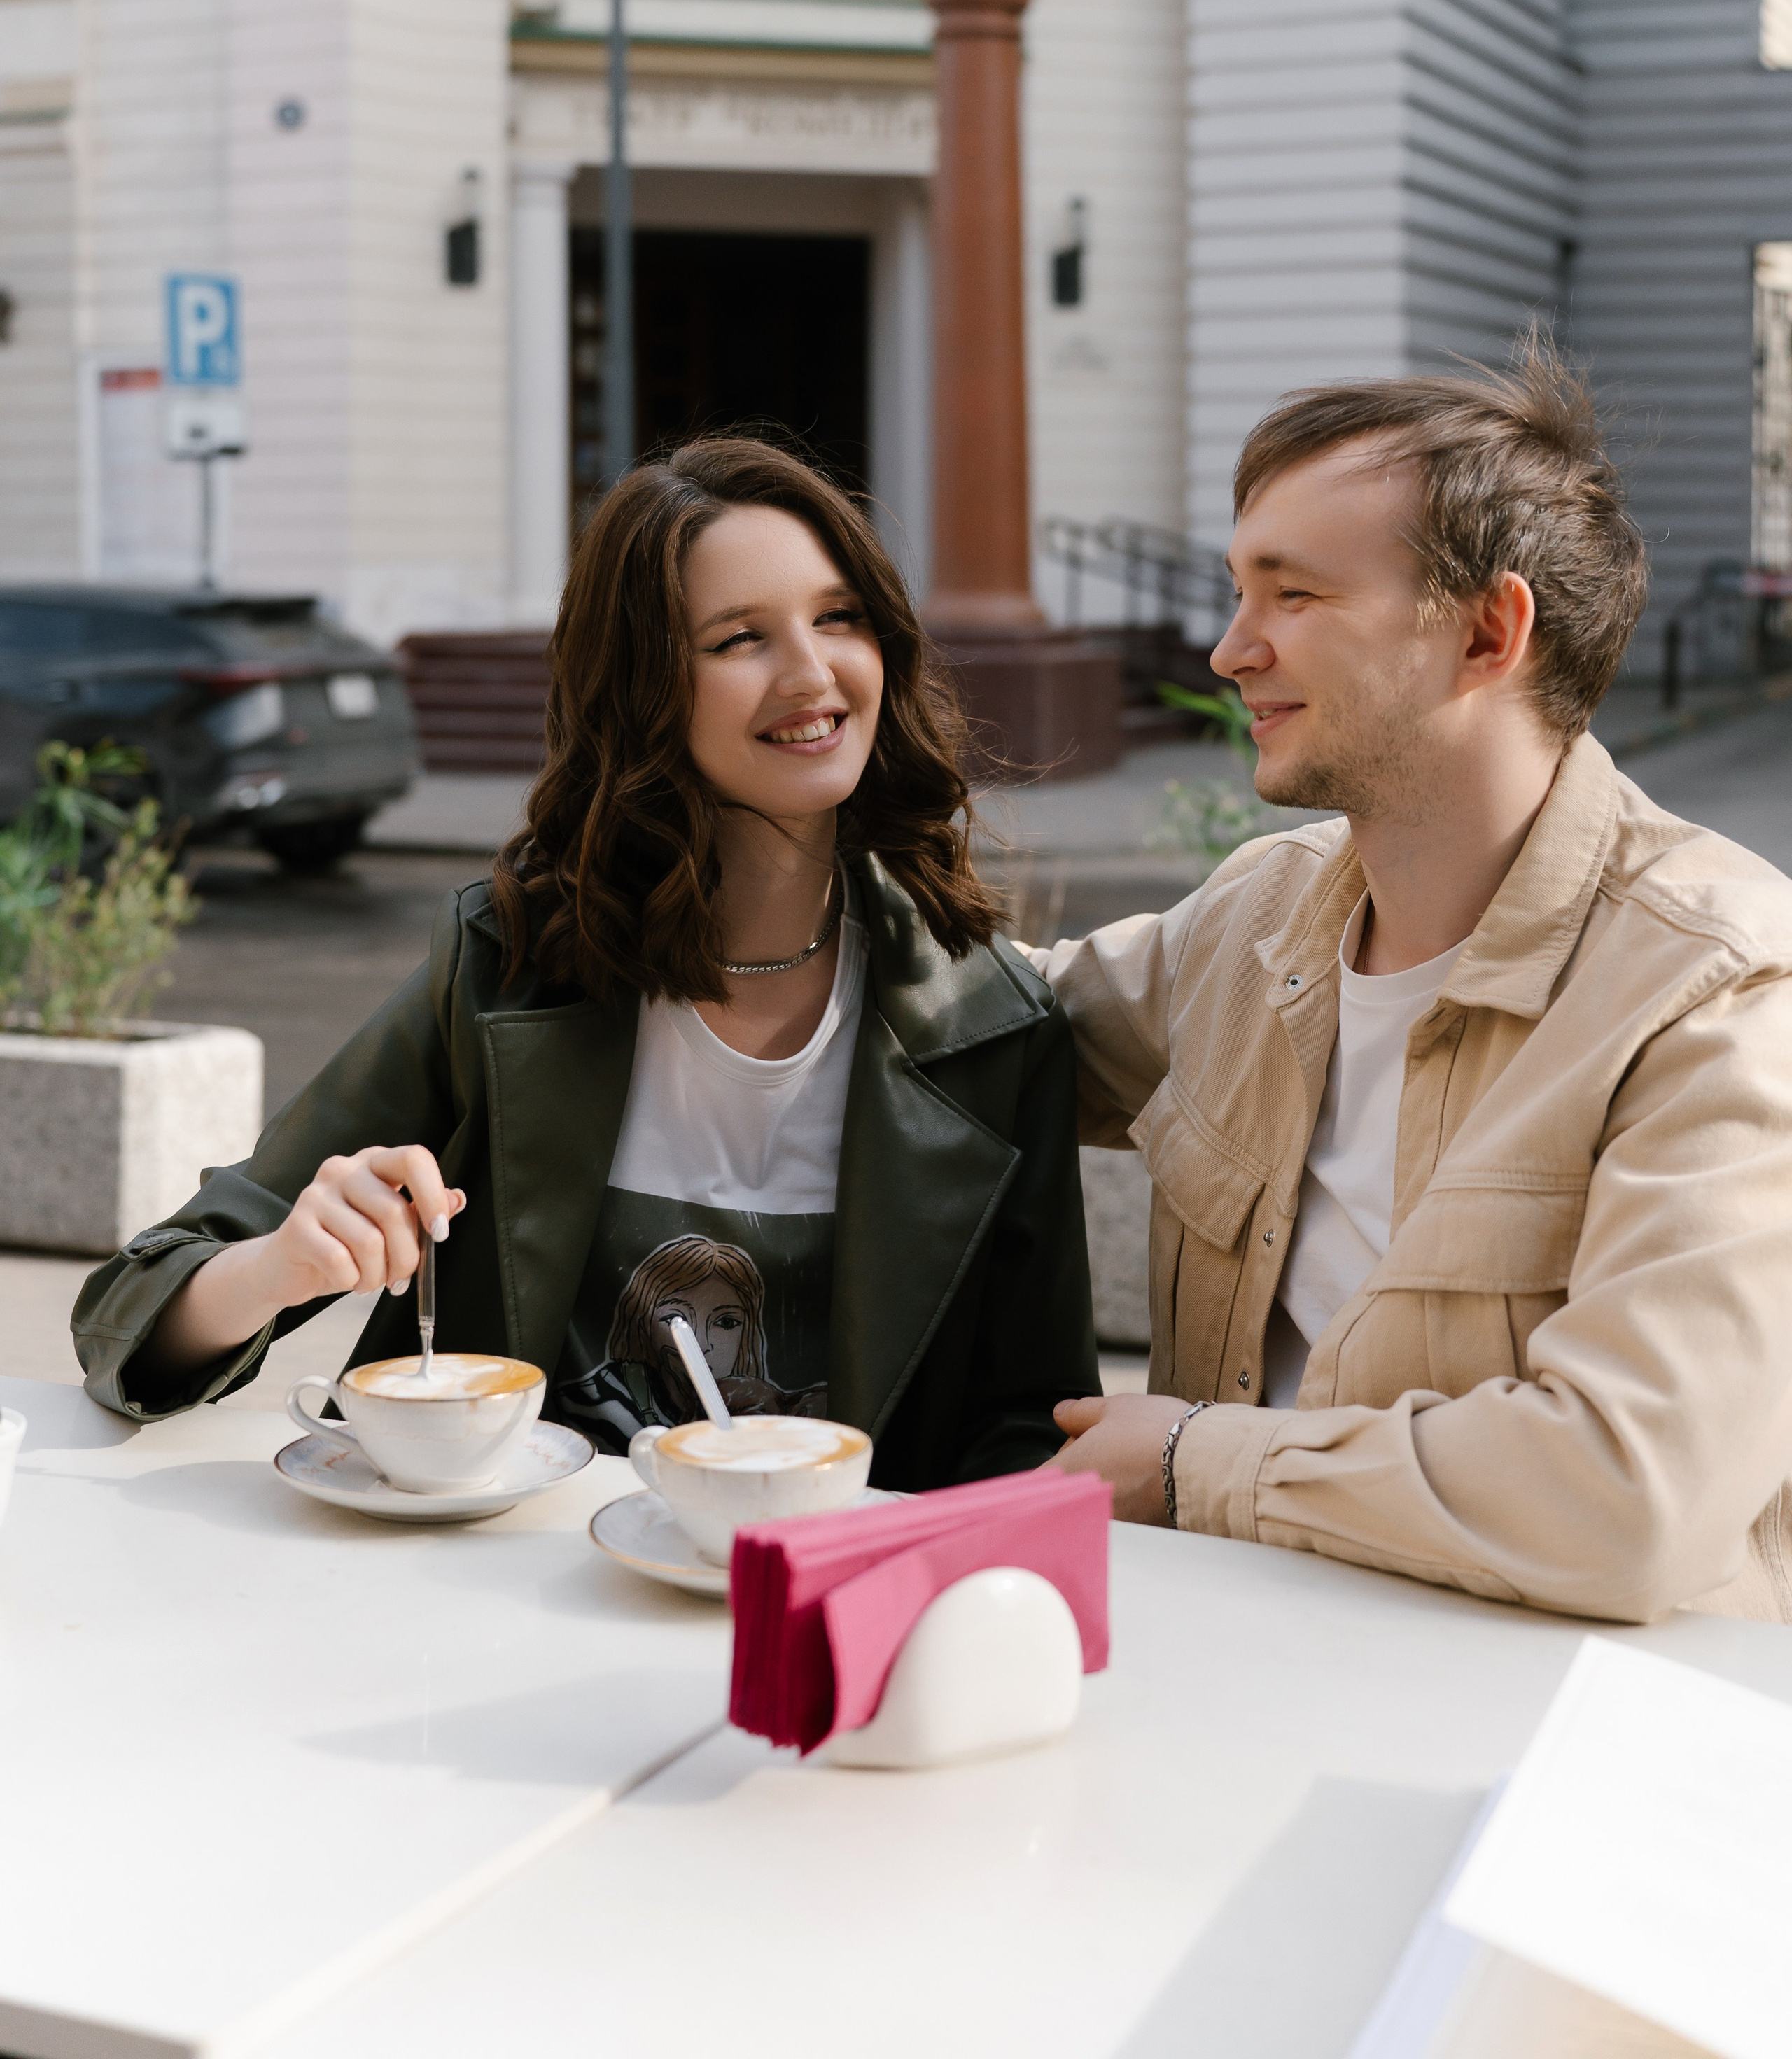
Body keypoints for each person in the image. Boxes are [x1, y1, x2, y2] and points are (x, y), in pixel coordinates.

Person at [74, 438, 1099, 1486]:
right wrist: (282, 1263)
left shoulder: (994, 1025)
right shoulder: (505, 964)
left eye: (839, 618)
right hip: (502, 1600)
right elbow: (128, 1316)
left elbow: (1035, 1435)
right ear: (644, 687)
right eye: (741, 637)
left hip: (820, 1616)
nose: (813, 673)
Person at [1040, 342, 1792, 1622]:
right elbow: (973, 1029)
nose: (1231, 650)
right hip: (1234, 1669)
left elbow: (1629, 1494)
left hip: (1568, 1752)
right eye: (1240, 591)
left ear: (1490, 632)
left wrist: (1191, 1463)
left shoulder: (1716, 986)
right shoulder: (1262, 912)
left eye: (1295, 597)